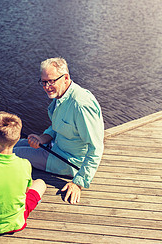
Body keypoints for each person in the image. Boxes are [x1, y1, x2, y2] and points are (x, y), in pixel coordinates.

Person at [14, 57, 104, 205]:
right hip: (54, 146)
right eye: (43, 82)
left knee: (12, 153)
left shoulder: (80, 105)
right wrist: (42, 138)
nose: (47, 86)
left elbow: (96, 147)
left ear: (66, 78)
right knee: (14, 144)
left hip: (67, 161)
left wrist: (78, 183)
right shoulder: (62, 95)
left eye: (51, 81)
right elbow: (58, 127)